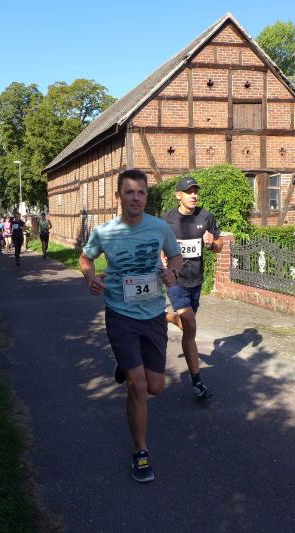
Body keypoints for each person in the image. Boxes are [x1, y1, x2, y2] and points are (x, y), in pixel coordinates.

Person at [79, 169, 183, 483]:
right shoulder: (105, 231)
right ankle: (140, 451)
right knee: (138, 386)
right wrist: (90, 276)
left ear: (146, 196)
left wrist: (173, 273)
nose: (135, 198)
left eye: (141, 192)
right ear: (119, 197)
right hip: (119, 313)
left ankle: (125, 366)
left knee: (155, 387)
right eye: (129, 192)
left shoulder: (159, 227)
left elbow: (176, 258)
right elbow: (85, 259)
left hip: (153, 315)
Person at [162, 176, 222, 400]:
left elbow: (219, 245)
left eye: (196, 191)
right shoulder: (166, 219)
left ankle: (166, 317)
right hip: (175, 280)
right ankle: (197, 381)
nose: (194, 195)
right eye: (189, 192)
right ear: (178, 195)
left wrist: (211, 243)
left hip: (196, 280)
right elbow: (157, 244)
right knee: (190, 324)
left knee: (188, 328)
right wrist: (161, 258)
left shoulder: (206, 217)